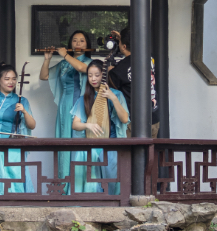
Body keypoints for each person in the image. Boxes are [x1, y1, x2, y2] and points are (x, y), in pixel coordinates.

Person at [70, 59, 128, 194]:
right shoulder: (85, 98)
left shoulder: (117, 94)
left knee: (111, 173)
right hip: (92, 143)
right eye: (90, 75)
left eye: (97, 75)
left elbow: (124, 119)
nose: (93, 79)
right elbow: (75, 124)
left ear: (103, 75)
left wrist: (113, 98)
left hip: (111, 144)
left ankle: (111, 199)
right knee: (84, 159)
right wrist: (87, 125)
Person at [39, 30, 91, 180]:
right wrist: (47, 59)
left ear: (87, 44)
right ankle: (63, 181)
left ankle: (77, 184)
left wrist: (65, 55)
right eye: (74, 40)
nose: (78, 43)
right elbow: (44, 76)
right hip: (64, 105)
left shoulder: (89, 62)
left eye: (82, 40)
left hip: (81, 105)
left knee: (77, 142)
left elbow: (81, 68)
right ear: (70, 44)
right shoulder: (63, 64)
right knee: (63, 140)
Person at [0, 63, 36, 195]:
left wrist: (24, 111)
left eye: (14, 79)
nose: (11, 82)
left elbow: (32, 125)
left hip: (13, 142)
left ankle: (16, 200)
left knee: (15, 174)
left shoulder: (21, 101)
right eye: (7, 79)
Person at [108, 27, 160, 138]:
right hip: (154, 118)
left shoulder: (120, 68)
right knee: (151, 149)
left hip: (134, 123)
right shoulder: (149, 57)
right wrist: (124, 39)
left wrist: (109, 71)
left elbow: (112, 86)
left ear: (124, 46)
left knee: (130, 150)